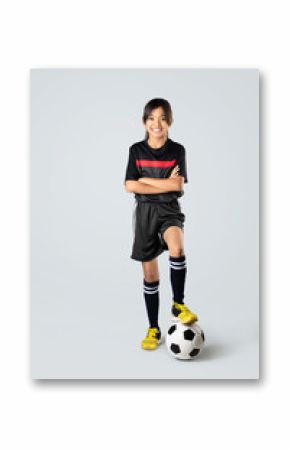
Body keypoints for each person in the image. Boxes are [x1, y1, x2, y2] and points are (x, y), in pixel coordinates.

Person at [124, 98, 198, 350]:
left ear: (170, 121)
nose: (157, 124)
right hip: (144, 213)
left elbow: (177, 185)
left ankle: (178, 303)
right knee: (150, 274)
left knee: (177, 248)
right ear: (144, 122)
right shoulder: (136, 150)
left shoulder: (178, 150)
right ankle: (153, 328)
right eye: (151, 118)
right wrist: (160, 182)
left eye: (162, 118)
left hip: (169, 210)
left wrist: (145, 179)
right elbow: (129, 185)